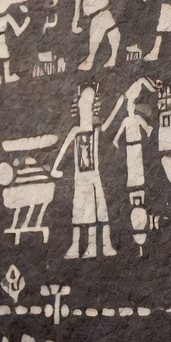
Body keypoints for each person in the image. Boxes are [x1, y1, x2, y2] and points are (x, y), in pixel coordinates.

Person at [52, 86, 116, 259]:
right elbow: (63, 150)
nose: (84, 108)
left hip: (94, 176)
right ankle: (75, 246)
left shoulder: (96, 129)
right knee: (79, 211)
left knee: (98, 210)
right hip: (80, 178)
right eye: (82, 104)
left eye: (88, 104)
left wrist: (118, 106)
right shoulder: (75, 131)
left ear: (92, 106)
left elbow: (108, 125)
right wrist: (54, 168)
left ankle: (95, 246)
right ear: (79, 107)